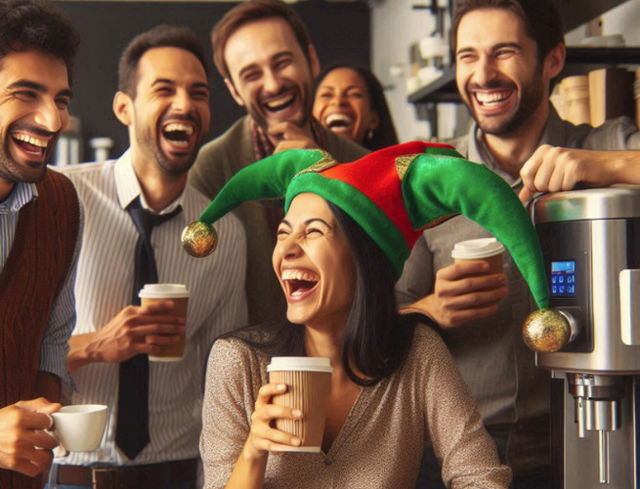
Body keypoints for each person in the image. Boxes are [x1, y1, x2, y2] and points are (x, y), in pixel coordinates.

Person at [187, 140, 563, 488]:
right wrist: (254, 451)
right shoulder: (238, 362)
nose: (287, 250)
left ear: (364, 260)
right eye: (284, 233)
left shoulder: (415, 354)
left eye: (313, 232)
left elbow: (481, 477)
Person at [396, 0, 640, 487]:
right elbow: (375, 319)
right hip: (453, 443)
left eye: (503, 52)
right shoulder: (428, 179)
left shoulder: (603, 144)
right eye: (467, 56)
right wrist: (431, 308)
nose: (483, 75)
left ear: (552, 59)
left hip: (592, 431)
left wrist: (605, 168)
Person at [49, 25, 248, 489]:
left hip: (177, 474)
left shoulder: (223, 231)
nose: (185, 104)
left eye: (198, 93)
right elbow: (12, 348)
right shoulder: (61, 199)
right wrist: (95, 345)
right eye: (165, 89)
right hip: (72, 475)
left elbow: (225, 382)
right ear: (124, 107)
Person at [189, 0, 368, 326]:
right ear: (234, 91)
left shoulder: (363, 165)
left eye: (283, 62)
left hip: (346, 360)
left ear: (311, 61)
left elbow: (380, 287)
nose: (272, 85)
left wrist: (325, 181)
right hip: (247, 364)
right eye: (252, 74)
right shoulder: (209, 172)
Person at [0, 1, 81, 488]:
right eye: (26, 93)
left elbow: (54, 338)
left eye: (62, 99)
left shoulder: (61, 203)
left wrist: (49, 414)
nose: (52, 119)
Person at [312, 64, 399, 151]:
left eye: (354, 95)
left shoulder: (395, 164)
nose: (338, 102)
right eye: (327, 95)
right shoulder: (299, 163)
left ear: (373, 119)